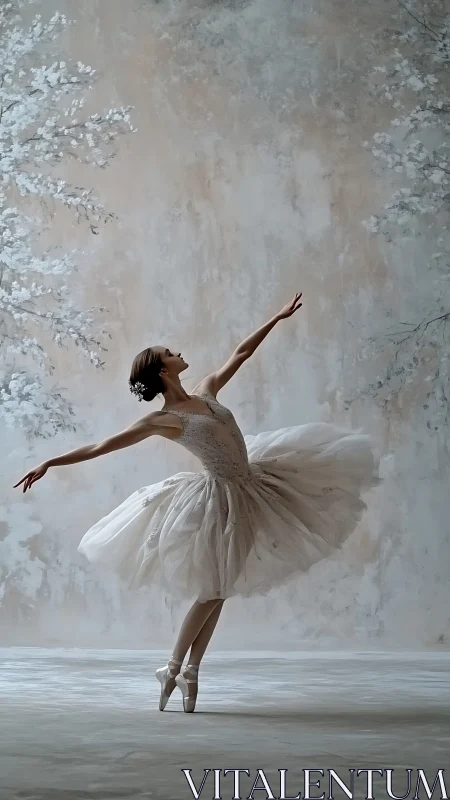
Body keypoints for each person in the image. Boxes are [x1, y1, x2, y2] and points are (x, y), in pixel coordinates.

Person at [14, 292, 382, 713]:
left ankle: (191, 672)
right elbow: (101, 446)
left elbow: (240, 353)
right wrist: (50, 461)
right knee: (212, 589)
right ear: (161, 369)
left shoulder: (206, 392)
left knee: (221, 590)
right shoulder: (163, 420)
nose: (178, 352)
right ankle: (172, 666)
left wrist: (276, 318)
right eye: (170, 352)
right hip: (218, 500)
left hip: (254, 487)